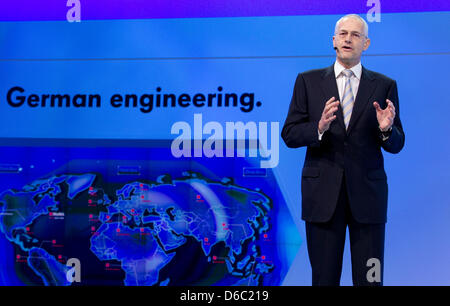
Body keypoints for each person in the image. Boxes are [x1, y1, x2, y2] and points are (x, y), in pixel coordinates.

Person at [281, 14, 405, 286]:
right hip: (322, 198)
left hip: (368, 200)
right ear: (334, 41)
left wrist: (386, 129)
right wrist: (319, 127)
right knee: (324, 280)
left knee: (371, 281)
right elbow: (289, 134)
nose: (349, 38)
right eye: (343, 33)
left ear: (366, 44)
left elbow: (397, 143)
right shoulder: (308, 81)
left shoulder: (384, 85)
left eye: (356, 35)